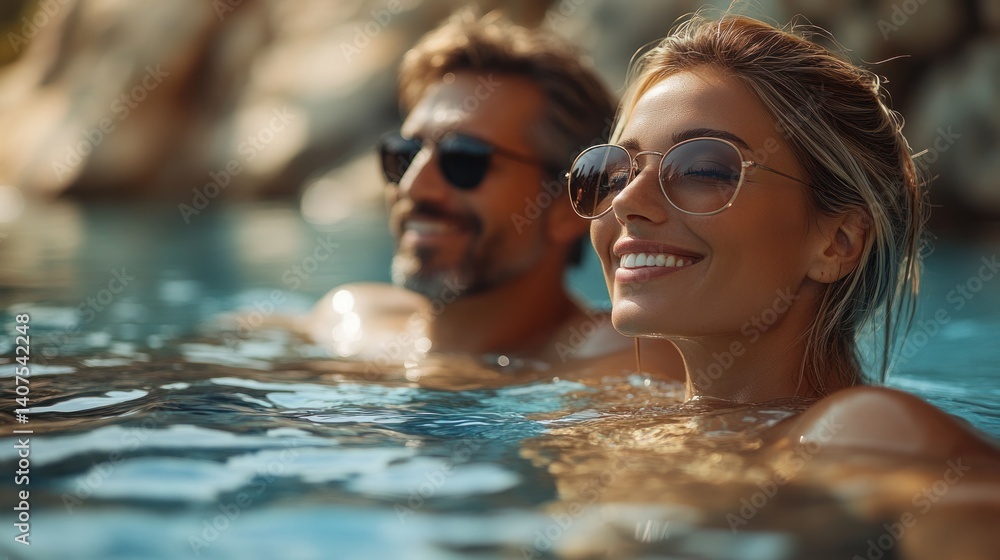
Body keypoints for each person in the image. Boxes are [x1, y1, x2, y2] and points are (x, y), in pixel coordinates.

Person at [569, 13, 999, 458]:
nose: (624, 201)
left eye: (704, 169)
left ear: (839, 241)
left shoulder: (863, 433)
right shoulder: (625, 426)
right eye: (616, 171)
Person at [307, 10, 683, 382]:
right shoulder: (348, 320)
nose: (412, 186)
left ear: (572, 202)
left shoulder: (628, 359)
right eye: (404, 156)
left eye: (464, 159)